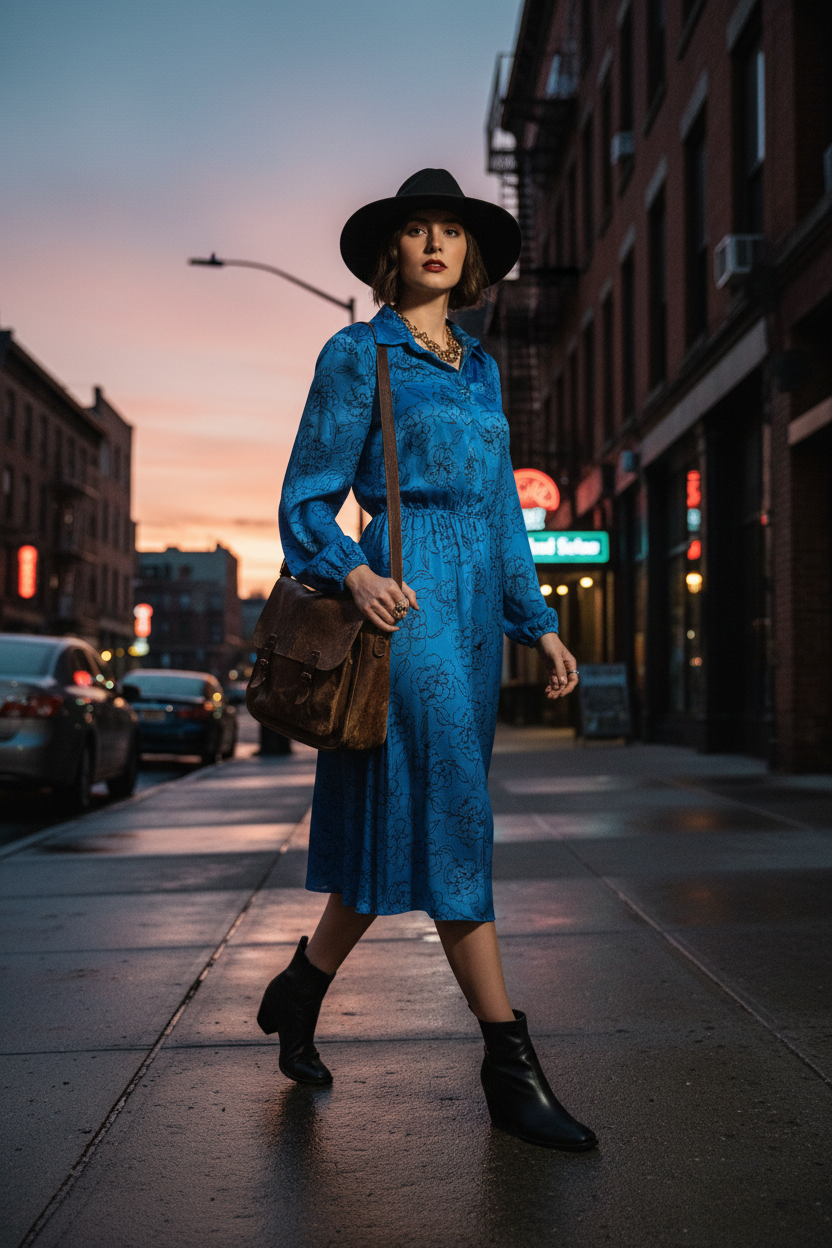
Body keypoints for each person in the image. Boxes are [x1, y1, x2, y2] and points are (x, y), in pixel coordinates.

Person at [258, 169, 596, 1152]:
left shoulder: (484, 371)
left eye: (451, 229)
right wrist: (353, 573)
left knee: (392, 825)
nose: (435, 243)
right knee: (453, 814)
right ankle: (507, 1061)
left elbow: (500, 513)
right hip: (402, 613)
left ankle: (298, 990)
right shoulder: (357, 353)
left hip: (475, 621)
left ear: (472, 255)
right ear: (389, 255)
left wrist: (535, 621)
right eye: (416, 230)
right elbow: (306, 499)